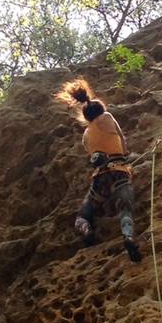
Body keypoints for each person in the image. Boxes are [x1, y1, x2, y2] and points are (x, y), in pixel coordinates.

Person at [56, 78, 141, 262]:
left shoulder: (86, 135)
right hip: (119, 171)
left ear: (86, 117)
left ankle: (86, 230)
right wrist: (125, 156)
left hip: (100, 178)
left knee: (83, 215)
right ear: (101, 109)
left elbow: (91, 154)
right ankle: (128, 236)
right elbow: (122, 140)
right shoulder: (107, 118)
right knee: (125, 209)